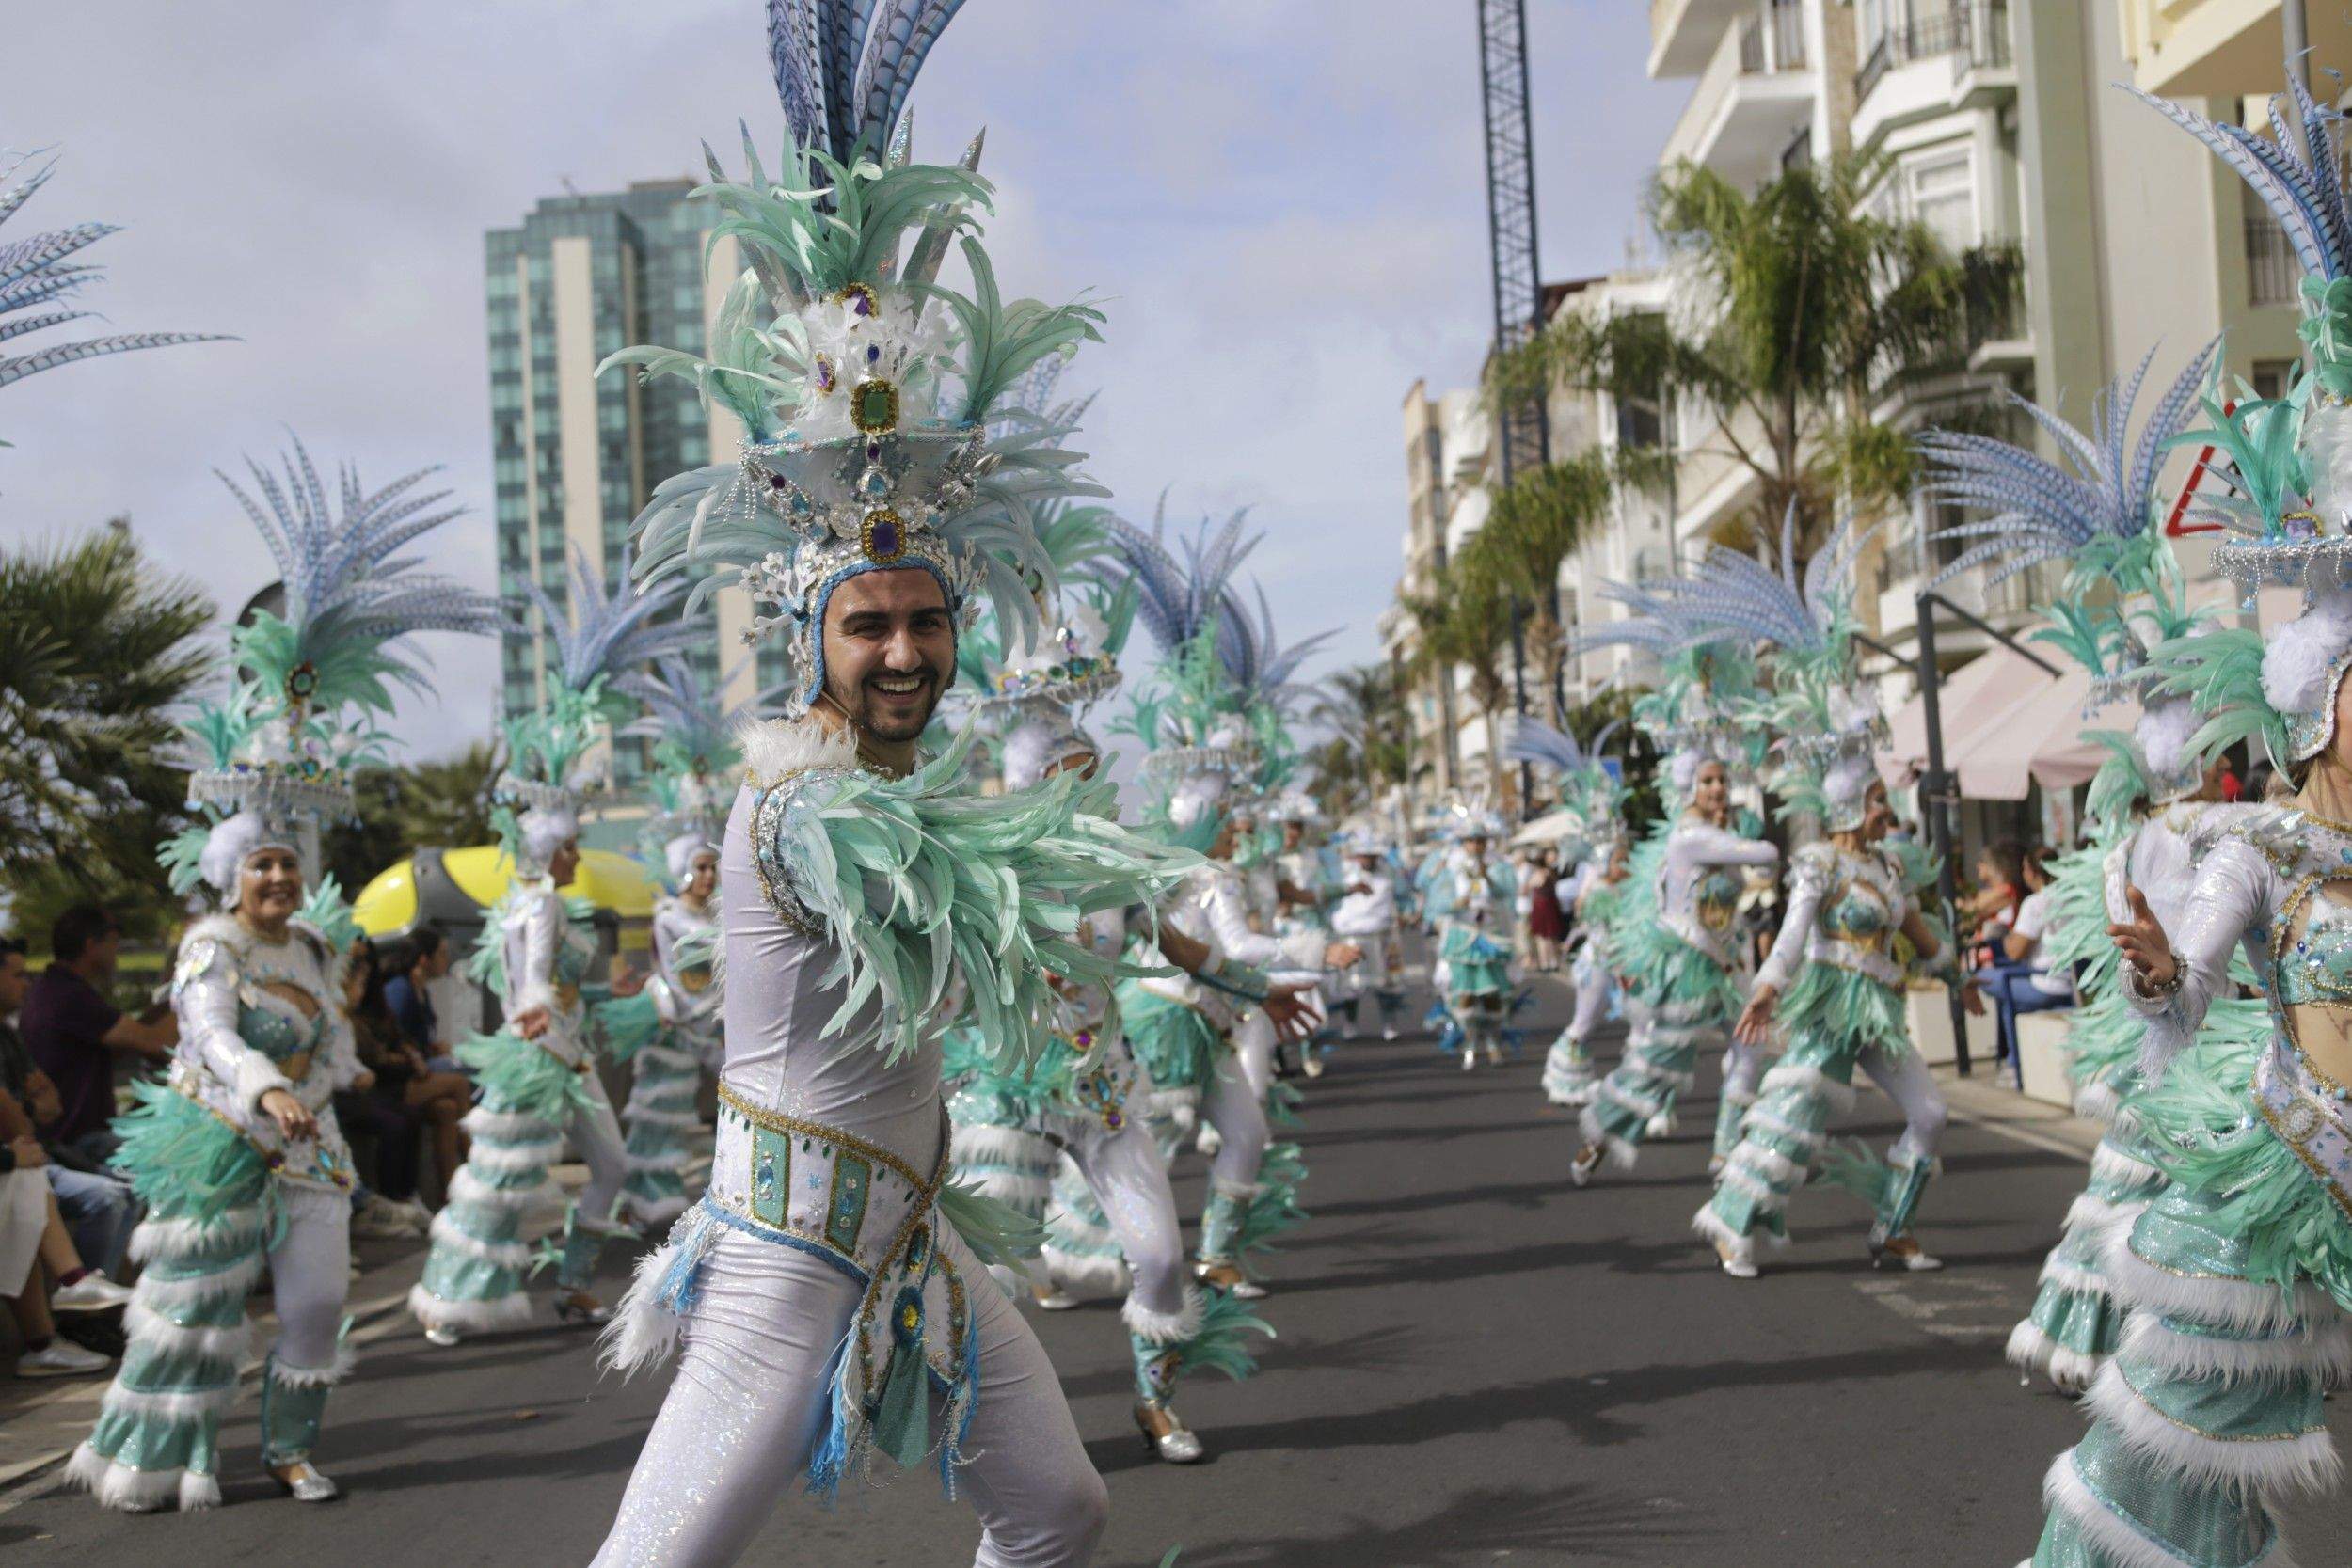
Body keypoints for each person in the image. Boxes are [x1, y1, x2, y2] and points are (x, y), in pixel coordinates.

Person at [588, 28, 1193, 1555]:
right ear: (813, 642)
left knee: (1059, 1504)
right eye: (869, 625)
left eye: (928, 620)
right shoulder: (804, 806)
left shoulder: (898, 785)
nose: (906, 650)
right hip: (788, 1261)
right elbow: (954, 889)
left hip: (911, 1237)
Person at [66, 433, 502, 1512]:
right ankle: (156, 1449)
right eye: (258, 859)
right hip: (222, 1140)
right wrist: (261, 1087)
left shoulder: (310, 945)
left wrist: (337, 1079)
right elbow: (210, 1034)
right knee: (194, 1310)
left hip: (313, 1150)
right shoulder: (207, 946)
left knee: (314, 1308)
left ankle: (291, 1445)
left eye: (283, 859)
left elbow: (341, 1042)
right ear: (229, 871)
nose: (274, 871)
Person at [407, 548, 685, 1345]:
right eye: (571, 842)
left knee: (611, 1169)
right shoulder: (540, 906)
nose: (575, 851)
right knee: (502, 1178)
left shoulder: (546, 902)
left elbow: (562, 991)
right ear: (551, 846)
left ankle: (570, 1287)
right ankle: (449, 1294)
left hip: (567, 1050)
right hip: (543, 1056)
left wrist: (612, 993)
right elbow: (530, 992)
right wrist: (557, 1039)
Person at [0, 937, 137, 1280]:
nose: (25, 984)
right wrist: (27, 1111)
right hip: (31, 1158)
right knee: (103, 1195)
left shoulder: (8, 1035)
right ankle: (83, 1302)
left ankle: (90, 1299)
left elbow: (51, 1105)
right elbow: (21, 1123)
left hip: (37, 1156)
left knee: (130, 1185)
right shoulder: (67, 997)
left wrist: (26, 1113)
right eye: (17, 975)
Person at [21, 906, 176, 1163]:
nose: (118, 951)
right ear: (91, 945)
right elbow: (159, 1044)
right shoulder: (69, 997)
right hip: (79, 1143)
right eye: (114, 942)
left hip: (74, 1136)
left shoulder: (55, 988)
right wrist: (192, 990)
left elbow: (130, 1038)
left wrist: (164, 1006)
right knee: (180, 1154)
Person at [338, 936, 470, 1230]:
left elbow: (400, 1037)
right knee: (458, 1084)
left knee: (447, 1109)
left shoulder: (380, 996)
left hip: (389, 1076)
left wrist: (412, 1053)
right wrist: (409, 1059)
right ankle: (476, 1168)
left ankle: (453, 1194)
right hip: (384, 1083)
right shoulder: (393, 992)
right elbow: (369, 1055)